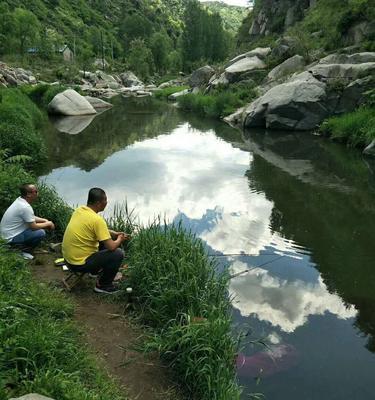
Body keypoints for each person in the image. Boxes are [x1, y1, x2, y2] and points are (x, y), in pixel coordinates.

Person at [62, 187, 129, 294]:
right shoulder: (97, 220)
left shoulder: (79, 211)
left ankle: (94, 272)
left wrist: (115, 234)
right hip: (79, 264)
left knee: (103, 240)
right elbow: (112, 246)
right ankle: (103, 285)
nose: (107, 202)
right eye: (105, 200)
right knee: (118, 253)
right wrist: (120, 238)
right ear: (98, 203)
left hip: (67, 259)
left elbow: (97, 230)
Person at [0, 183, 55, 259]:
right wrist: (49, 223)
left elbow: (29, 217)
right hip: (10, 239)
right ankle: (21, 251)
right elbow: (34, 227)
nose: (37, 193)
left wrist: (44, 220)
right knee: (40, 233)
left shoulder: (20, 201)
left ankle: (20, 248)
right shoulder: (25, 207)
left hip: (6, 235)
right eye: (35, 191)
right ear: (28, 194)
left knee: (40, 227)